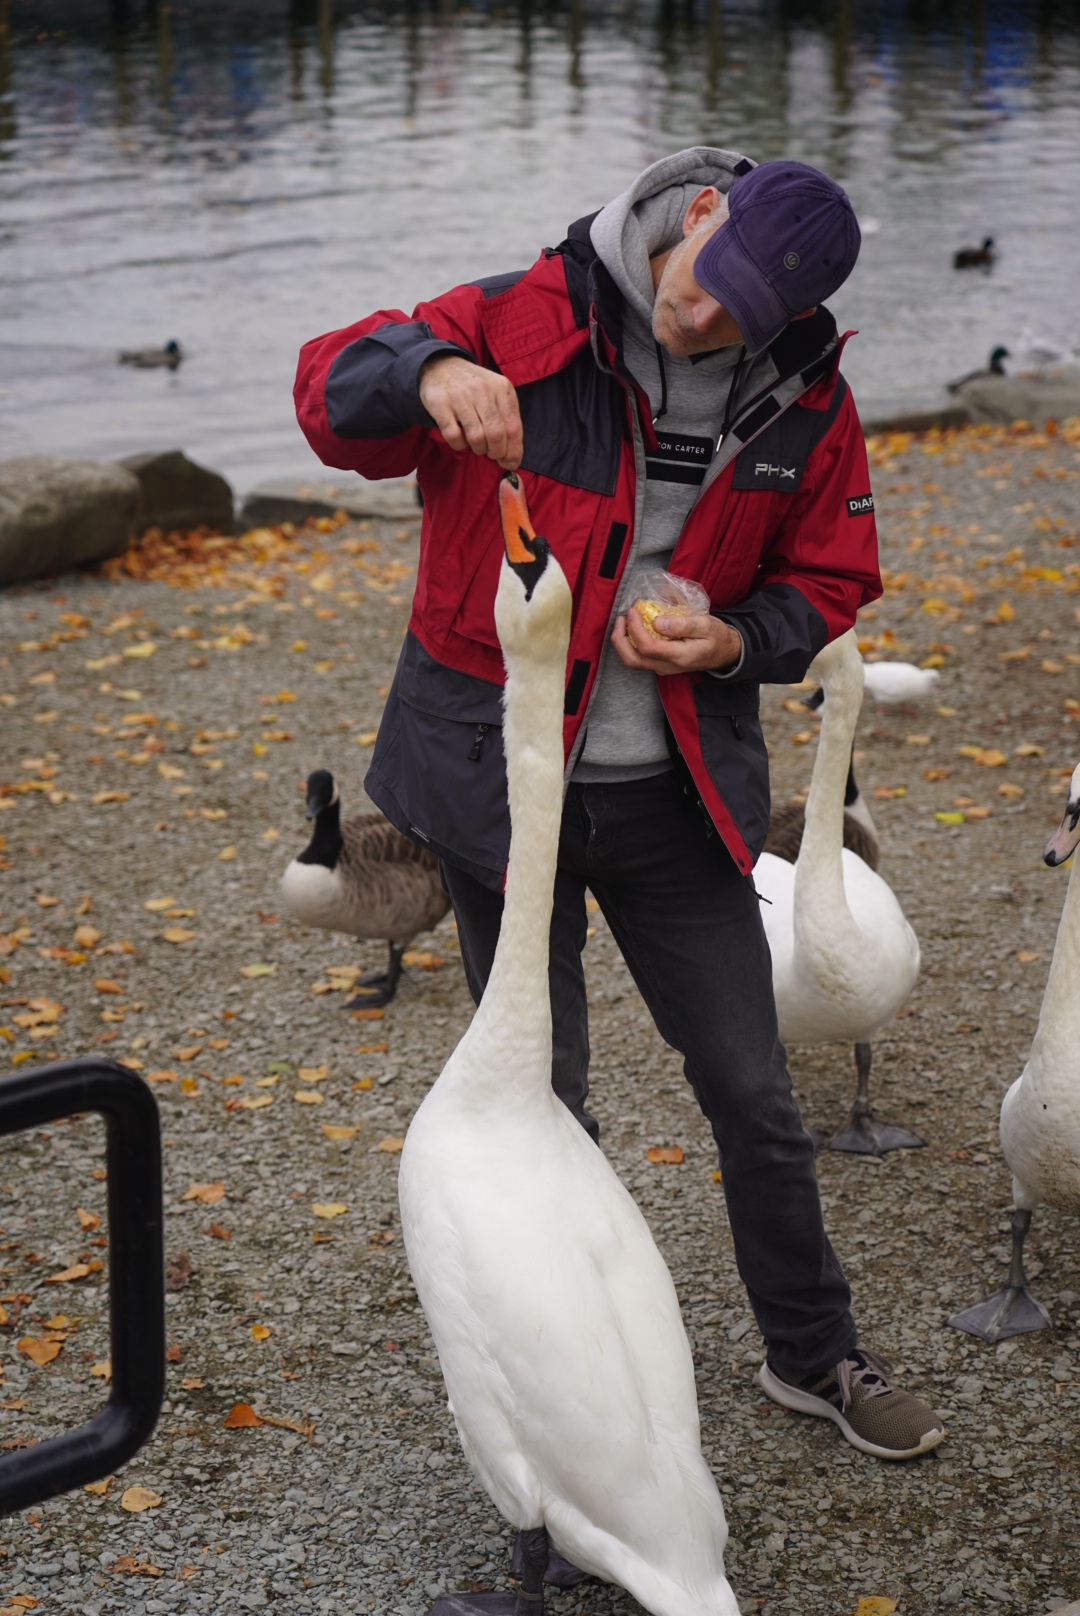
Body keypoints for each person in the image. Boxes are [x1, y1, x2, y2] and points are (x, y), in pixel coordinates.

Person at [295, 147, 944, 1465]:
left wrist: (735, 641)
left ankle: (810, 1349)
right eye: (699, 289)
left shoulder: (810, 397)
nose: (696, 321)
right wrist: (423, 371)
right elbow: (327, 395)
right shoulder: (514, 316)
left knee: (754, 1090)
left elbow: (831, 581)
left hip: (676, 795)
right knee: (545, 1092)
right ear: (696, 214)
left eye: (736, 317)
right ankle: (578, 1393)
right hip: (501, 796)